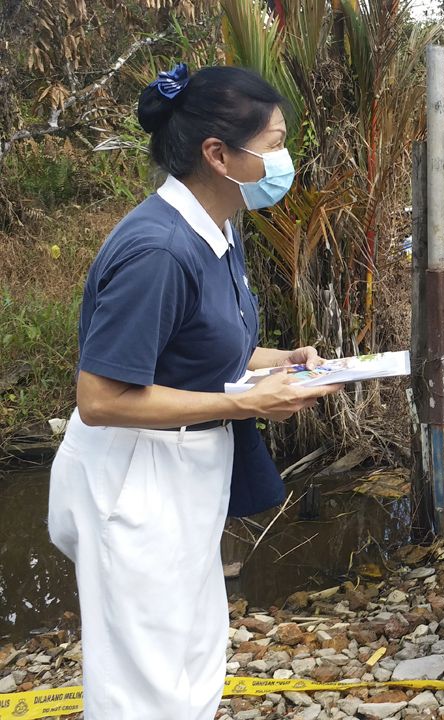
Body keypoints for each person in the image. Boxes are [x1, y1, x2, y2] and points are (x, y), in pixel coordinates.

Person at [47, 63, 340, 720]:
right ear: (217, 154)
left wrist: (281, 360)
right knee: (144, 680)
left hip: (188, 465)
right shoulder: (158, 249)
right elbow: (100, 399)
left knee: (193, 645)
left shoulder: (219, 228)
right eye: (272, 143)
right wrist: (244, 401)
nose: (283, 159)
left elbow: (205, 345)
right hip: (138, 472)